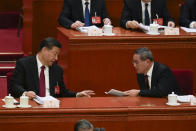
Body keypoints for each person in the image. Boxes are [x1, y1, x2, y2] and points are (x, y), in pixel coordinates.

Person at [11, 37, 95, 98]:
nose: (56, 58)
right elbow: (15, 86)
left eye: (57, 55)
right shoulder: (24, 64)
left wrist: (77, 94)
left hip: (51, 107)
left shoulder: (57, 70)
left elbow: (62, 92)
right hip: (31, 106)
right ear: (44, 50)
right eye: (54, 54)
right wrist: (25, 93)